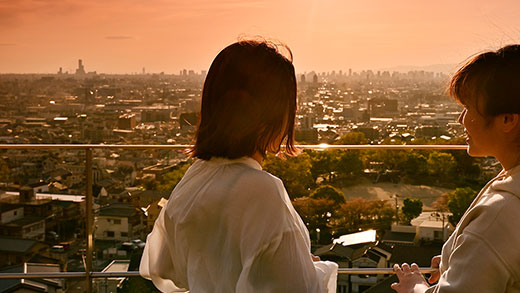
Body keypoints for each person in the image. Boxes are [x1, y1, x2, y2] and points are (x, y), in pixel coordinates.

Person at [139, 39, 338, 293]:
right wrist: (317, 269)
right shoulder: (262, 190)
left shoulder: (195, 176)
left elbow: (163, 267)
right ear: (271, 113)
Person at [391, 45, 520, 292]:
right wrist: (462, 259)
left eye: (469, 108)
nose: (460, 119)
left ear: (508, 119)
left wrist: (415, 287)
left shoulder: (500, 216)